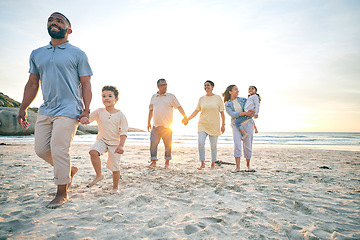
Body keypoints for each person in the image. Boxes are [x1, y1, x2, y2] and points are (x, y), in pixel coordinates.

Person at [17, 12, 93, 208]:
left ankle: (62, 192)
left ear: (69, 30)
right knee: (41, 150)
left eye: (59, 20)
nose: (54, 23)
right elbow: (32, 83)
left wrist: (86, 110)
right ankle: (69, 171)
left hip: (69, 109)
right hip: (46, 108)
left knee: (59, 149)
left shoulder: (78, 54)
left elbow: (86, 84)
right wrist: (22, 108)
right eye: (50, 20)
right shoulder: (37, 53)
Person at [80, 86, 128, 194]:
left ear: (116, 99)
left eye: (110, 96)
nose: (106, 98)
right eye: (104, 96)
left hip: (115, 144)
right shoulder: (99, 111)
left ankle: (115, 188)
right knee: (93, 152)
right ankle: (99, 175)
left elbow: (123, 132)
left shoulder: (121, 115)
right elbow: (88, 120)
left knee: (115, 167)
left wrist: (121, 145)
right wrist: (84, 119)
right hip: (102, 140)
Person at [183, 80, 225, 170]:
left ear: (212, 87)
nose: (206, 87)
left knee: (213, 146)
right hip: (202, 124)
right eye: (205, 85)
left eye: (208, 85)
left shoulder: (217, 98)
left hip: (214, 125)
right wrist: (188, 119)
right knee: (200, 142)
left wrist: (223, 125)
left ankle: (213, 163)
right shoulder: (201, 99)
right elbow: (196, 111)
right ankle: (202, 163)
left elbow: (222, 112)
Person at [147, 79, 187, 169]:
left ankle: (167, 163)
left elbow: (179, 107)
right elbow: (150, 110)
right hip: (155, 126)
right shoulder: (154, 97)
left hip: (167, 127)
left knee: (167, 146)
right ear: (158, 86)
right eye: (162, 85)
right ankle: (153, 162)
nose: (165, 87)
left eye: (165, 85)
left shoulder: (171, 97)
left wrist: (184, 116)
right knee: (153, 145)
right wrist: (148, 122)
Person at [223, 85, 255, 173]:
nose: (237, 91)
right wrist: (244, 113)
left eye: (238, 89)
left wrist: (251, 114)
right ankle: (237, 167)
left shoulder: (244, 100)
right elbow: (232, 114)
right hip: (236, 125)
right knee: (237, 145)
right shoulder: (228, 104)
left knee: (247, 146)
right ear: (230, 92)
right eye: (235, 89)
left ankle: (248, 166)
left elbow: (251, 110)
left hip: (248, 123)